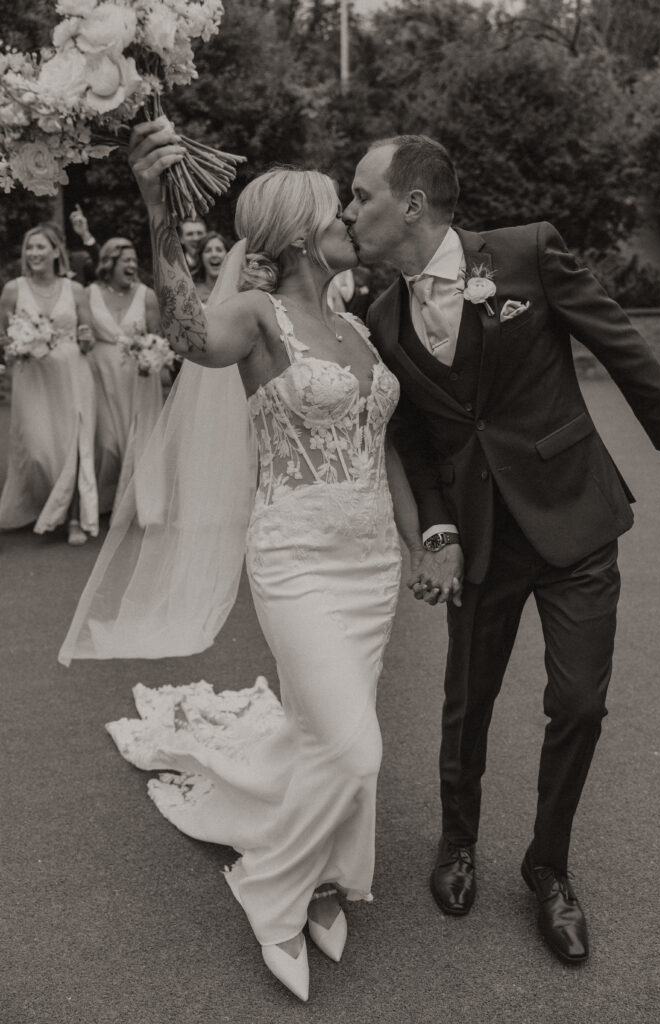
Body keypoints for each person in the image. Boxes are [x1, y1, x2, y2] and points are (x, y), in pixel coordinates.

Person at [59, 119, 426, 1002]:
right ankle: (269, 889)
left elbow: (387, 448)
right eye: (336, 211)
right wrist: (154, 208)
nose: (351, 219)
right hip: (296, 559)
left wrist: (425, 544)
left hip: (371, 564)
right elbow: (187, 331)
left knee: (319, 731)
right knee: (355, 746)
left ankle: (330, 878)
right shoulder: (258, 317)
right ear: (299, 233)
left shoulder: (357, 325)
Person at [342, 134, 660, 965]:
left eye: (360, 195)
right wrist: (438, 530)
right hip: (478, 537)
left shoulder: (526, 253)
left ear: (411, 205)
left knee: (578, 705)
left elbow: (617, 342)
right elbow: (416, 442)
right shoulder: (379, 319)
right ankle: (456, 842)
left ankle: (548, 866)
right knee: (467, 701)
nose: (348, 210)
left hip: (573, 516)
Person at [0, 224, 98, 544]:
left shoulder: (76, 290)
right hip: (31, 379)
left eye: (41, 247)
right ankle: (46, 503)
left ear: (57, 252)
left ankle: (70, 518)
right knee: (40, 449)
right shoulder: (14, 289)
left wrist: (86, 338)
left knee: (73, 444)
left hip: (72, 374)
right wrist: (17, 345)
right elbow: (2, 336)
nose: (34, 254)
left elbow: (89, 336)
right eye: (30, 248)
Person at [87, 237, 164, 517]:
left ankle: (137, 504)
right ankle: (104, 501)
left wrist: (150, 354)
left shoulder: (147, 295)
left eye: (134, 260)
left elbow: (157, 339)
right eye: (126, 260)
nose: (132, 265)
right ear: (110, 263)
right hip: (101, 378)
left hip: (138, 378)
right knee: (107, 443)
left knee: (138, 439)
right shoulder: (90, 293)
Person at [193, 231, 229, 303]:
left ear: (228, 255)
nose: (214, 254)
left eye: (219, 250)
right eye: (208, 250)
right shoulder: (191, 292)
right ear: (201, 257)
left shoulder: (238, 292)